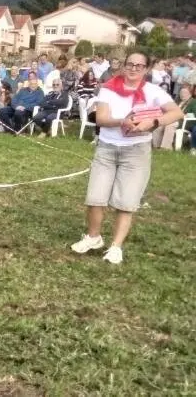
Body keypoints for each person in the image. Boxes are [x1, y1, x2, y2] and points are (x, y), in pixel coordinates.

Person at [70, 52, 183, 264]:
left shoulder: (153, 91)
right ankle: (93, 237)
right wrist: (123, 121)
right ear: (123, 66)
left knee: (126, 201)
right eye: (130, 64)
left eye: (139, 66)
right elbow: (101, 118)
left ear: (146, 69)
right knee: (95, 197)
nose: (133, 69)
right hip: (107, 149)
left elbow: (176, 113)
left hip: (136, 152)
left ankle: (116, 246)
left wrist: (153, 122)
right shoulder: (108, 89)